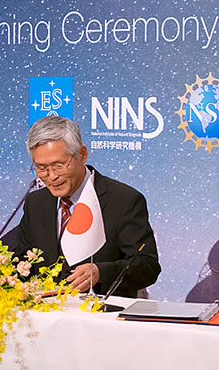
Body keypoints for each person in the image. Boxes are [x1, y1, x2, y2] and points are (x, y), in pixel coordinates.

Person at [15, 116, 160, 297]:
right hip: (44, 317)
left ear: (82, 154)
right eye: (41, 168)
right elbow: (21, 261)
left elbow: (148, 266)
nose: (51, 176)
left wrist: (101, 273)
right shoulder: (36, 202)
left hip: (101, 317)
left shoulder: (124, 200)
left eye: (58, 166)